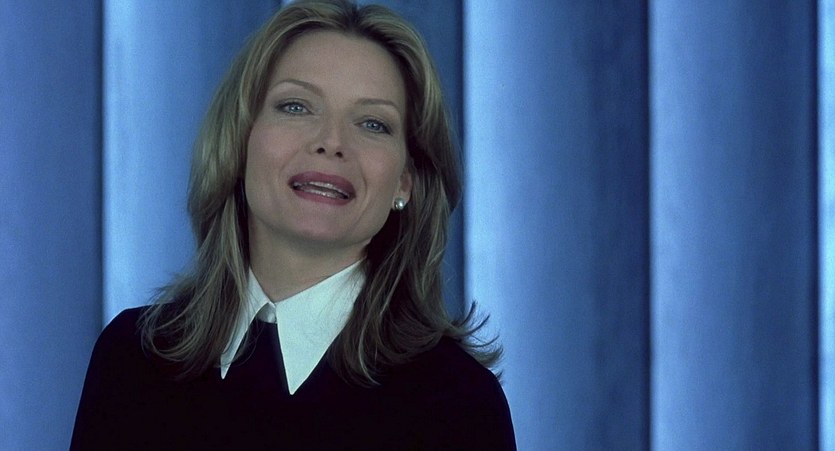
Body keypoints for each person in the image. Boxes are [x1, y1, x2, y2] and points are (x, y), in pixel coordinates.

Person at [71, 0, 515, 449]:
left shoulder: (459, 403)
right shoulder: (132, 358)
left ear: (405, 181)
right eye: (297, 106)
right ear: (240, 142)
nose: (331, 141)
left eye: (373, 123)